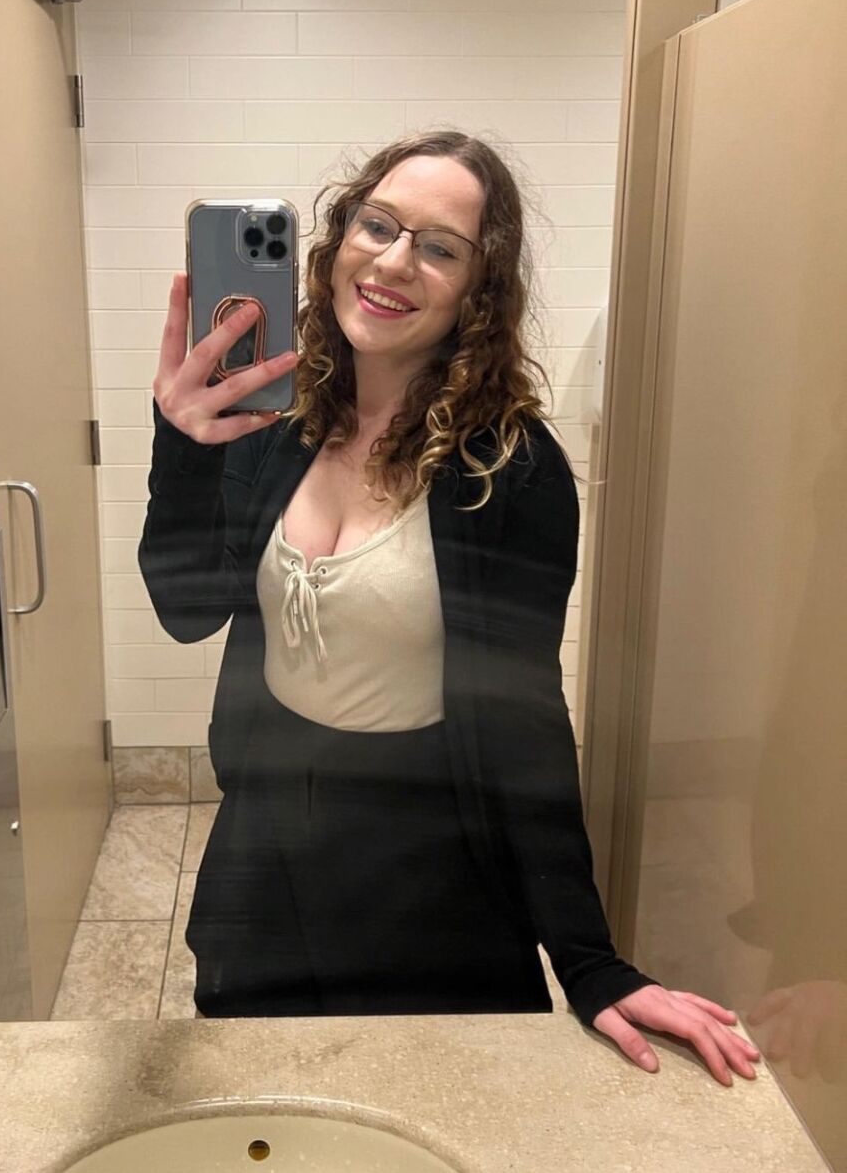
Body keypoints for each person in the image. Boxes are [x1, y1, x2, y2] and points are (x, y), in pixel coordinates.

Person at [139, 129, 761, 1086]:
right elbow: (187, 609)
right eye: (376, 225)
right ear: (337, 240)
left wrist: (589, 959)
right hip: (262, 865)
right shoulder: (273, 426)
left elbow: (525, 720)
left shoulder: (510, 470)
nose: (394, 262)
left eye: (439, 247)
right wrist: (183, 443)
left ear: (479, 288)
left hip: (428, 879)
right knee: (262, 1115)